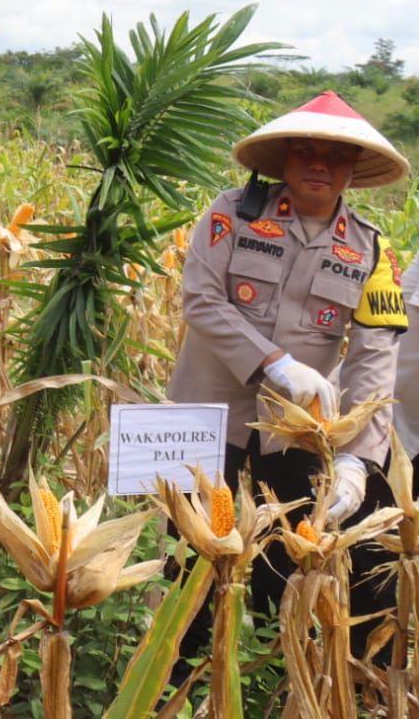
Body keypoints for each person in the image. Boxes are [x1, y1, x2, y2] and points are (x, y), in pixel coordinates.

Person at [167, 90, 407, 669]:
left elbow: (377, 356)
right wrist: (275, 362)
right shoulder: (229, 214)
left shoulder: (372, 250)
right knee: (189, 558)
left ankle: (275, 676)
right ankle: (177, 675)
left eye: (335, 156)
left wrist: (357, 457)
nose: (320, 164)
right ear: (283, 159)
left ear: (353, 171)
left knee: (286, 557)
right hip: (205, 415)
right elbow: (199, 300)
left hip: (294, 429)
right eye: (305, 151)